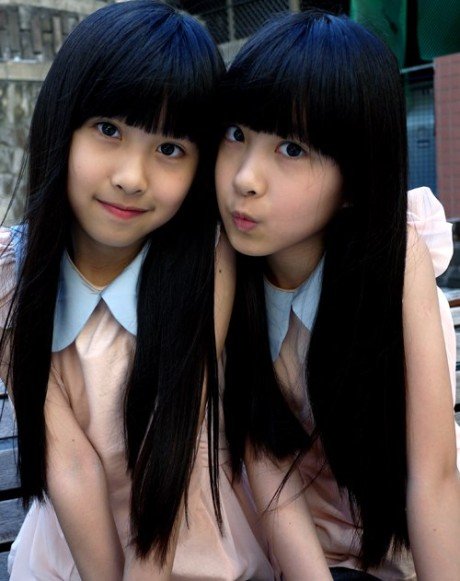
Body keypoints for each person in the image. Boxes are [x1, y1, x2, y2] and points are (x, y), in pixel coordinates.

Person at [0, 1, 273, 579]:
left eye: (169, 149)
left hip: (185, 537)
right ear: (62, 121)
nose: (131, 177)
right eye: (109, 130)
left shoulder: (209, 262)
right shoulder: (9, 277)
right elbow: (68, 463)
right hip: (70, 548)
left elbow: (170, 445)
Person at [216, 9, 460, 580]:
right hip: (297, 551)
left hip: (406, 540)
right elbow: (266, 469)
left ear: (354, 181)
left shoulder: (393, 260)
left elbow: (432, 477)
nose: (245, 178)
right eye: (237, 134)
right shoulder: (221, 272)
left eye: (291, 149)